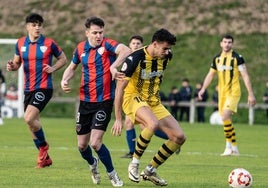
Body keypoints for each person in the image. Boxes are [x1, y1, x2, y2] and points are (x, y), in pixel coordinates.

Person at [60, 16, 131, 187]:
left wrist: (114, 66)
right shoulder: (80, 49)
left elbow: (126, 50)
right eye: (95, 33)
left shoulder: (107, 45)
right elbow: (71, 67)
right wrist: (64, 80)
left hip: (104, 101)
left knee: (95, 142)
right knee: (82, 146)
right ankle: (93, 164)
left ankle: (112, 173)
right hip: (85, 102)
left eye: (100, 32)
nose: (98, 35)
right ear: (87, 33)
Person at [111, 28, 186, 186]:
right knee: (152, 124)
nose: (167, 52)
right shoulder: (135, 58)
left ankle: (151, 170)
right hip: (132, 98)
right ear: (154, 44)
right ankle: (134, 163)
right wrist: (118, 118)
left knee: (179, 137)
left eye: (169, 49)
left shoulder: (166, 57)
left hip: (153, 101)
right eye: (165, 48)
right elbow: (119, 88)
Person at [6, 13, 67, 168]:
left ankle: (43, 146)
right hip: (28, 88)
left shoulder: (49, 43)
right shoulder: (20, 43)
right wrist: (12, 66)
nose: (37, 27)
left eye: (39, 24)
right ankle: (45, 158)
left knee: (28, 118)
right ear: (27, 27)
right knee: (32, 123)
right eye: (34, 25)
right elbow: (16, 63)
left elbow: (63, 59)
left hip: (44, 87)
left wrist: (52, 68)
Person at [198, 34, 256, 156]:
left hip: (233, 92)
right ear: (221, 43)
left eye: (229, 42)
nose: (227, 44)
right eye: (225, 42)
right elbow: (210, 74)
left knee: (224, 116)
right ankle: (234, 148)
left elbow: (245, 75)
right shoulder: (217, 58)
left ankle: (228, 147)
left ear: (232, 44)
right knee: (226, 120)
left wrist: (251, 94)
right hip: (222, 94)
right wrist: (203, 88)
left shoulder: (237, 58)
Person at [121, 35, 168, 159]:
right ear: (129, 45)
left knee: (148, 125)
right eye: (133, 43)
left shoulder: (148, 58)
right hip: (132, 97)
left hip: (145, 98)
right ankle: (132, 152)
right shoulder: (129, 59)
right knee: (131, 123)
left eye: (138, 43)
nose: (136, 45)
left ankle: (170, 138)